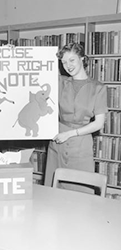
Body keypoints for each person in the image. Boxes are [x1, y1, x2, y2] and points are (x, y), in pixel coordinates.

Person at [45, 42, 108, 192]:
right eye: (64, 62)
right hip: (57, 143)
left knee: (81, 195)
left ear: (82, 58)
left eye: (72, 60)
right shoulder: (60, 82)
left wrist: (70, 134)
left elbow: (99, 123)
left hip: (81, 146)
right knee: (52, 195)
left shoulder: (98, 88)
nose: (68, 65)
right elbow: (34, 68)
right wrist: (12, 53)